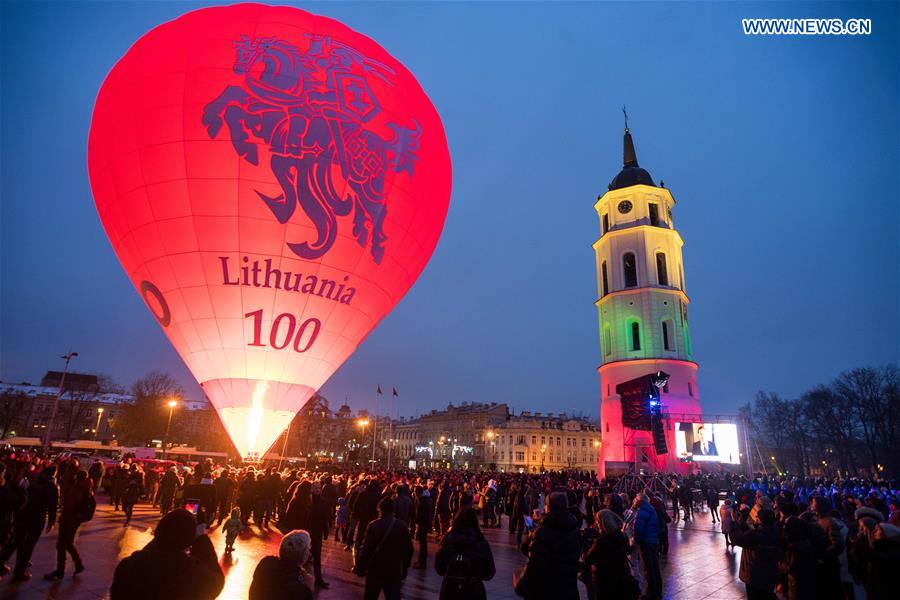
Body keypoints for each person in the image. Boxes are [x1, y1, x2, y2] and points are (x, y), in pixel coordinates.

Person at [111, 508, 224, 600]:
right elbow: (217, 581)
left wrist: (162, 536)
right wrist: (201, 538)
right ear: (189, 540)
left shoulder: (129, 566)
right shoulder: (192, 575)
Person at [516, 491, 581, 600]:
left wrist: (521, 586)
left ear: (549, 507)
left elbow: (535, 563)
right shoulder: (574, 529)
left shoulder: (544, 531)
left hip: (547, 589)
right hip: (569, 589)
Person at [0, 465, 58, 582]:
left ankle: (1, 561)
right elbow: (52, 506)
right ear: (54, 473)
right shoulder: (52, 486)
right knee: (29, 545)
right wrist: (51, 521)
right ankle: (20, 570)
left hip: (23, 515)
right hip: (37, 517)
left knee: (16, 540)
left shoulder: (35, 482)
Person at [354, 496, 414, 600]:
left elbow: (366, 549)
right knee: (393, 596)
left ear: (380, 509)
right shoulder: (402, 526)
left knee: (370, 596)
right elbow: (408, 550)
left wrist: (360, 567)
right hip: (394, 569)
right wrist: (404, 568)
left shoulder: (374, 525)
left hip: (376, 568)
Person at [435, 507, 496, 600]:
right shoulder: (481, 543)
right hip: (473, 592)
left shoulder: (447, 540)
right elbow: (490, 572)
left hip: (450, 591)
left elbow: (439, 568)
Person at [44, 469, 92, 580]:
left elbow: (69, 507)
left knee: (61, 545)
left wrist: (62, 518)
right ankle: (78, 564)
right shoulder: (86, 488)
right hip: (75, 520)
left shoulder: (76, 490)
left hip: (69, 520)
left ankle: (60, 570)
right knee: (68, 543)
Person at [584, 509, 638, 600]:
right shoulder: (623, 536)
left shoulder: (601, 542)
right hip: (621, 577)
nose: (597, 524)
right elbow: (628, 550)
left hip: (605, 580)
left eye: (598, 521)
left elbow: (588, 559)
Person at [731, 507, 781, 600]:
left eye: (757, 517)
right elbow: (749, 534)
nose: (756, 518)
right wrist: (742, 524)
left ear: (761, 520)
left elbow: (736, 539)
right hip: (769, 573)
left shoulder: (757, 536)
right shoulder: (774, 531)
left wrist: (735, 522)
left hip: (754, 575)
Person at [249, 529, 314, 600]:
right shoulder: (301, 590)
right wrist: (309, 587)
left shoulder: (266, 564)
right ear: (303, 556)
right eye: (308, 550)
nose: (309, 553)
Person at [633, 493, 662, 600]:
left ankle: (651, 593)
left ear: (640, 501)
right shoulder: (651, 509)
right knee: (655, 568)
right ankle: (657, 592)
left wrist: (636, 540)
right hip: (654, 541)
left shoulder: (641, 511)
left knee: (648, 569)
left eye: (636, 499)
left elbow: (638, 528)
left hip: (646, 542)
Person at [412, 485, 433, 569]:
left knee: (422, 544)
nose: (414, 492)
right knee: (423, 544)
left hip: (422, 525)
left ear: (418, 492)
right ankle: (421, 561)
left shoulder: (422, 501)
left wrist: (417, 522)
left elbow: (420, 515)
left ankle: (422, 562)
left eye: (415, 491)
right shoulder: (426, 500)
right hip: (424, 524)